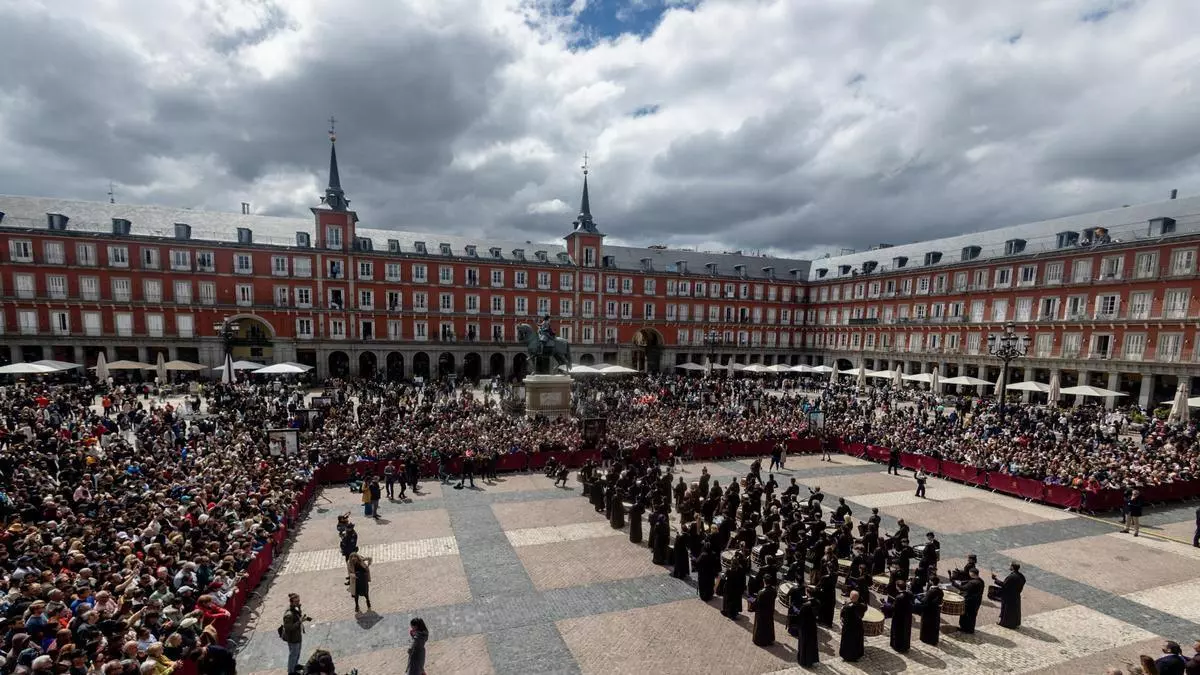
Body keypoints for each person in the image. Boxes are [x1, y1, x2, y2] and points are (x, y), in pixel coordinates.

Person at [281, 593, 310, 674]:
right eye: (296, 601)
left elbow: (297, 617)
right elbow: (289, 628)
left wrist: (299, 609)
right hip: (293, 638)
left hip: (297, 636)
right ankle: (291, 671)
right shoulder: (288, 615)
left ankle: (295, 665)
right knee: (293, 655)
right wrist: (300, 621)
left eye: (299, 601)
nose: (298, 602)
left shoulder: (295, 608)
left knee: (297, 653)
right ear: (291, 602)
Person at [953, 568, 985, 634]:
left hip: (970, 602)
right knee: (973, 616)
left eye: (970, 573)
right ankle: (970, 629)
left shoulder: (973, 583)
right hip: (977, 601)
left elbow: (963, 588)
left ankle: (964, 628)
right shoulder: (981, 581)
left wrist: (954, 584)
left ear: (972, 573)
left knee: (966, 615)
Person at [994, 562, 1026, 629]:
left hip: (1009, 596)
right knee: (1015, 610)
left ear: (1012, 567)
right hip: (1016, 595)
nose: (1009, 567)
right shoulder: (1021, 576)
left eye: (1010, 566)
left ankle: (1005, 623)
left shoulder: (1011, 577)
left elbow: (1004, 585)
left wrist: (995, 580)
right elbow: (1023, 582)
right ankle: (1015, 623)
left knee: (1007, 610)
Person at [839, 590, 867, 663]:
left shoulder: (847, 607)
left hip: (849, 627)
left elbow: (843, 615)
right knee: (856, 641)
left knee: (847, 642)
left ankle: (847, 656)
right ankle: (856, 656)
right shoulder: (862, 606)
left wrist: (843, 606)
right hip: (858, 626)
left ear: (851, 597)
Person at [916, 574, 943, 646]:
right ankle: (933, 639)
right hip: (936, 611)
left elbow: (924, 600)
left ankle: (926, 639)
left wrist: (918, 597)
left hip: (928, 611)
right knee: (934, 626)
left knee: (927, 625)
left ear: (931, 581)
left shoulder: (931, 591)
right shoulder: (940, 591)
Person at [795, 585, 820, 667]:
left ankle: (804, 661)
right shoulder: (817, 602)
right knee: (812, 644)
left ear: (808, 593)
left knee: (804, 644)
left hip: (805, 627)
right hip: (813, 626)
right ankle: (811, 660)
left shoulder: (805, 605)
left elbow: (800, 616)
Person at [889, 579, 914, 653]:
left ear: (897, 587)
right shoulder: (909, 594)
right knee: (906, 631)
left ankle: (898, 647)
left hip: (899, 617)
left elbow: (894, 608)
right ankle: (905, 646)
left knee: (898, 632)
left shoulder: (899, 597)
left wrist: (886, 604)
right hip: (907, 616)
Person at [751, 579, 777, 647]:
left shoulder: (761, 592)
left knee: (761, 626)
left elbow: (757, 603)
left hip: (761, 612)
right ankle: (769, 640)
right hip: (769, 611)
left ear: (764, 581)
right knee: (769, 625)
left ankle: (760, 640)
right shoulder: (774, 590)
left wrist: (751, 603)